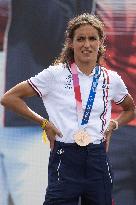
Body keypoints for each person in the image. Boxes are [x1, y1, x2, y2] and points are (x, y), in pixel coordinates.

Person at [0, 13, 135, 205]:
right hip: (65, 157)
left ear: (100, 42)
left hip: (97, 157)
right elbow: (9, 98)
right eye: (81, 39)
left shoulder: (111, 79)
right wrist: (43, 122)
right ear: (71, 43)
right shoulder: (55, 75)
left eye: (92, 38)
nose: (86, 44)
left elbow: (130, 109)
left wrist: (114, 123)